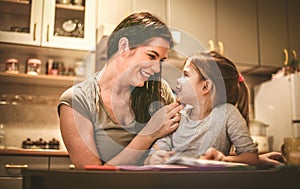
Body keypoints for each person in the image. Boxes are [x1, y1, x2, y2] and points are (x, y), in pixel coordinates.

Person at [58, 12, 183, 168]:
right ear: (124, 46)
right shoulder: (77, 101)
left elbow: (183, 144)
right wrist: (149, 134)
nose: (157, 68)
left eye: (161, 61)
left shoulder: (160, 91)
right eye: (151, 56)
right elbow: (93, 178)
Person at [145, 51, 261, 166]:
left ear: (205, 86)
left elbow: (251, 157)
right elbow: (152, 156)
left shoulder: (227, 114)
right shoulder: (176, 117)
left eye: (186, 75)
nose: (178, 80)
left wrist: (224, 159)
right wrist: (153, 159)